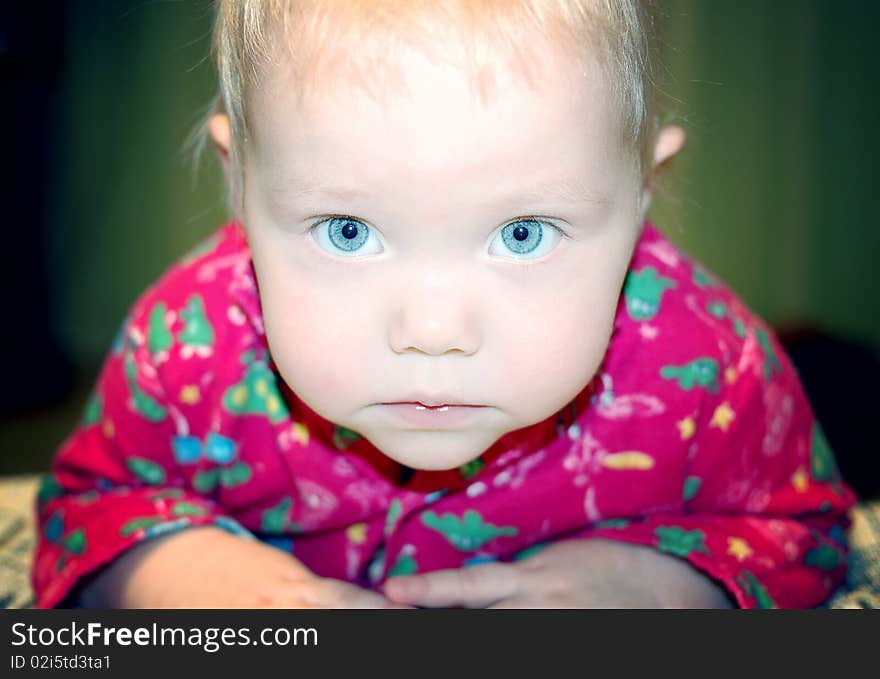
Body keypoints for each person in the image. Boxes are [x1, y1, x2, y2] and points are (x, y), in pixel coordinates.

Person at [32, 0, 855, 609]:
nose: (433, 332)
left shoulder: (709, 362)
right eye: (348, 231)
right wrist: (200, 583)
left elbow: (809, 531)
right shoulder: (187, 343)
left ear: (642, 194)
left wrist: (654, 585)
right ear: (240, 186)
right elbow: (90, 508)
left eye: (525, 233)